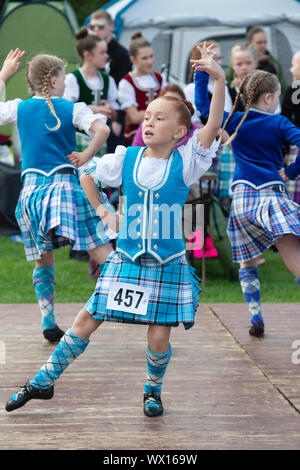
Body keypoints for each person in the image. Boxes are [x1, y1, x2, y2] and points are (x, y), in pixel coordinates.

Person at [5, 43, 225, 416]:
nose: (150, 122)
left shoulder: (187, 161)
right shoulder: (126, 156)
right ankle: (44, 380)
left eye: (160, 118)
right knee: (88, 317)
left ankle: (152, 391)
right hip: (127, 257)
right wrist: (103, 211)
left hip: (166, 262)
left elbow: (214, 125)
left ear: (181, 131)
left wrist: (217, 79)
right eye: (148, 117)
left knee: (159, 333)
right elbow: (86, 173)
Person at [0, 49, 113, 343]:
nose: (65, 85)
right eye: (63, 79)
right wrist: (87, 153)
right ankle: (126, 294)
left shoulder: (19, 108)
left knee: (42, 257)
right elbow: (103, 129)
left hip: (31, 194)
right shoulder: (71, 108)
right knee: (98, 246)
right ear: (52, 81)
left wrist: (2, 76)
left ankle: (49, 321)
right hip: (65, 187)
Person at [195, 63, 300, 339]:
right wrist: (291, 171)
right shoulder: (279, 122)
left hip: (241, 202)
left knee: (247, 261)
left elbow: (204, 107)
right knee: (294, 258)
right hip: (270, 196)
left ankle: (255, 317)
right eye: (277, 96)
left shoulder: (234, 120)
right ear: (268, 97)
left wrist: (201, 73)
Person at [118, 31, 167, 146]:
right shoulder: (126, 82)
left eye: (151, 56)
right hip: (136, 138)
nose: (150, 61)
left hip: (160, 137)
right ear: (133, 60)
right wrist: (161, 115)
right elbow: (133, 117)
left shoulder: (160, 79)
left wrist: (142, 114)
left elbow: (169, 110)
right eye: (144, 58)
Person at [87, 9, 132, 86]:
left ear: (112, 27)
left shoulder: (122, 54)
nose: (96, 30)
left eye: (100, 26)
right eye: (92, 27)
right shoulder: (88, 51)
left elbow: (124, 86)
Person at [281, 51, 300, 204]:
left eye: (294, 65)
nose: (291, 69)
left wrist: (284, 151)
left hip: (296, 148)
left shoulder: (293, 89)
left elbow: (285, 121)